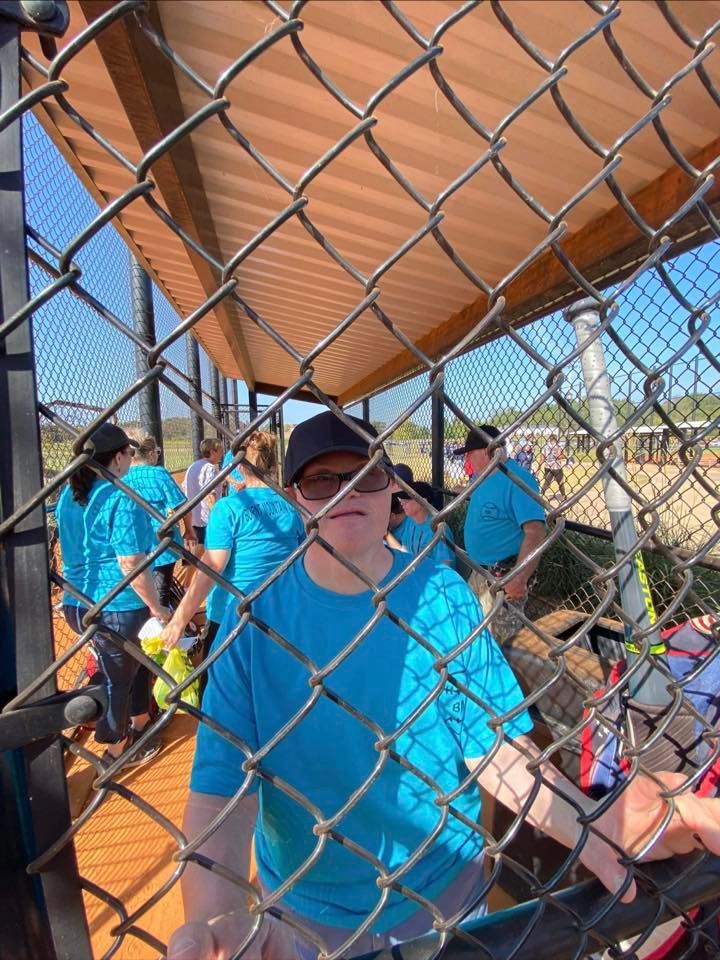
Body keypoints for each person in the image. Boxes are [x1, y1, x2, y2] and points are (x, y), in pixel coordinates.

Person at [166, 411, 720, 960]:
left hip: (443, 885)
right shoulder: (253, 621)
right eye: (320, 479)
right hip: (307, 905)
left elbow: (493, 745)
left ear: (391, 491)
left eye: (365, 474)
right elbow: (221, 786)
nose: (346, 491)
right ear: (296, 498)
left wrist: (591, 822)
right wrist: (219, 912)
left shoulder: (441, 594)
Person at [56, 423, 169, 767]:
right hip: (117, 606)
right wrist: (157, 607)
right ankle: (116, 749)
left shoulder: (68, 496)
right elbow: (131, 562)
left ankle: (140, 722)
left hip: (77, 603)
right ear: (118, 457)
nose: (131, 460)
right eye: (129, 454)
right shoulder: (120, 498)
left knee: (129, 666)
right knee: (117, 679)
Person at [160, 431, 304, 657]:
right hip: (280, 613)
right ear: (274, 465)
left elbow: (213, 567)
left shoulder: (228, 508)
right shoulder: (292, 506)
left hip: (231, 614)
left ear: (239, 466)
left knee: (217, 685)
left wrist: (179, 621)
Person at [455, 425, 546, 643]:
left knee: (500, 643)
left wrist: (519, 576)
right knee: (470, 630)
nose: (467, 459)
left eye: (469, 453)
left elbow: (535, 531)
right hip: (479, 571)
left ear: (485, 452)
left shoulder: (517, 479)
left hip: (503, 574)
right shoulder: (483, 477)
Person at [123, 435, 196, 607]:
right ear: (149, 454)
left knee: (136, 593)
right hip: (160, 543)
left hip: (130, 544)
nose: (158, 455)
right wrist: (189, 530)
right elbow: (182, 506)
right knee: (160, 593)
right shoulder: (157, 473)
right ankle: (158, 625)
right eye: (157, 451)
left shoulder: (122, 475)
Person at [395, 479, 456, 567]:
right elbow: (404, 550)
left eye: (407, 500)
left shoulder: (438, 529)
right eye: (401, 500)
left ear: (422, 502)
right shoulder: (409, 521)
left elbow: (445, 565)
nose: (402, 504)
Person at [183, 438, 222, 549]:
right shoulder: (211, 468)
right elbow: (210, 495)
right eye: (220, 450)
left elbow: (184, 487)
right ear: (213, 452)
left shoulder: (193, 466)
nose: (221, 454)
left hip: (193, 517)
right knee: (206, 552)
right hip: (207, 518)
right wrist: (218, 517)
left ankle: (188, 565)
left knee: (193, 550)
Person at [540, 433, 567, 498]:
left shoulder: (545, 447)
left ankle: (541, 495)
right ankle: (563, 496)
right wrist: (566, 457)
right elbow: (560, 456)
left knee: (547, 482)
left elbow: (542, 458)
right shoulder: (558, 446)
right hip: (556, 468)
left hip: (547, 467)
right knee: (560, 482)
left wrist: (539, 467)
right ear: (556, 439)